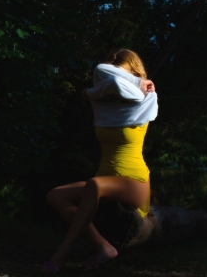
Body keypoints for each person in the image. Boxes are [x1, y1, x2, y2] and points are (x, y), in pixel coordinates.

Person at [43, 48, 158, 272]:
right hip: (104, 178)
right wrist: (89, 93)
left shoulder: (145, 100)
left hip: (134, 181)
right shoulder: (103, 104)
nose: (115, 78)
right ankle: (103, 247)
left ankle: (61, 254)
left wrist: (91, 92)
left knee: (95, 184)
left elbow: (114, 83)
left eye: (123, 73)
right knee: (55, 195)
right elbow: (106, 77)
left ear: (135, 74)